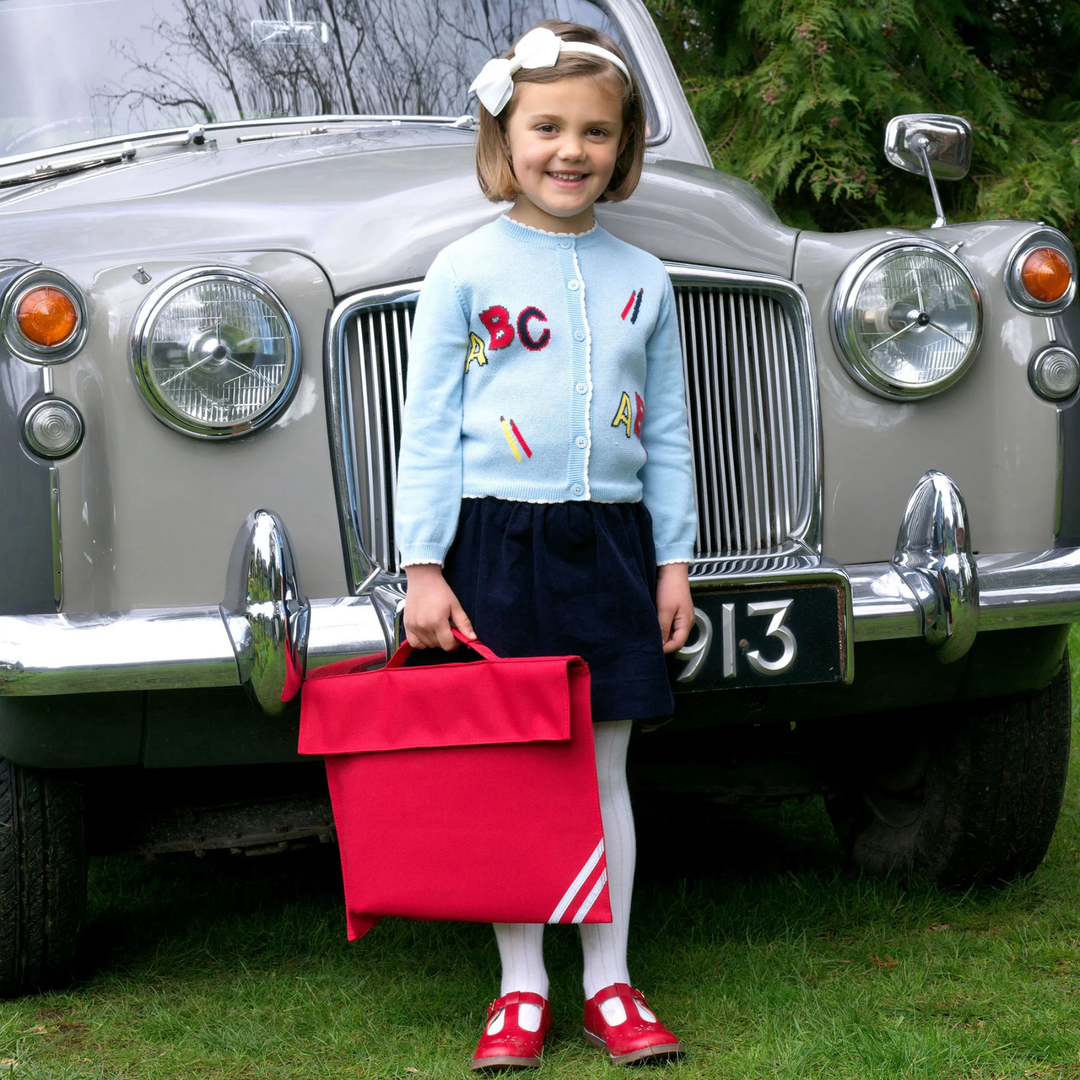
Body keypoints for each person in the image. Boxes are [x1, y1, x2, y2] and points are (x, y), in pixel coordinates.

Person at [394, 20, 697, 1071]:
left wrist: (673, 560)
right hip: (496, 541)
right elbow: (427, 425)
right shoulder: (464, 269)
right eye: (547, 127)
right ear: (504, 136)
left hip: (611, 547)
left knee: (603, 769)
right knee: (516, 772)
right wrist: (424, 565)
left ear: (623, 148)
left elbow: (664, 432)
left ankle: (610, 985)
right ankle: (521, 991)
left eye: (597, 132)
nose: (571, 151)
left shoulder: (642, 280)